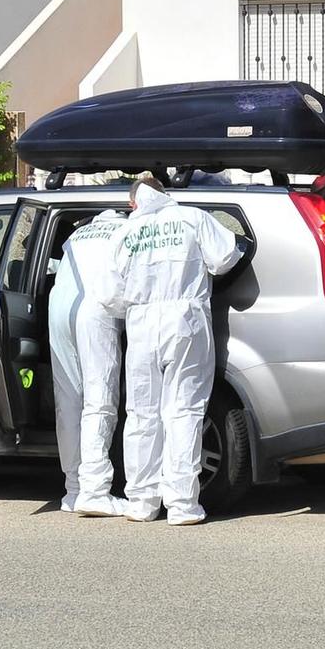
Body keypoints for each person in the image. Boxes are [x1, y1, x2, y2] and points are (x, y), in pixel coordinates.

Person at [112, 172, 244, 525]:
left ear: (132, 203)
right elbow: (225, 258)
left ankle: (141, 502)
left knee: (142, 414)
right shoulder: (193, 218)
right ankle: (183, 506)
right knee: (183, 410)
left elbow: (110, 295)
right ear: (165, 194)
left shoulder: (126, 232)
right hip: (185, 320)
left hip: (141, 325)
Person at [47, 206, 130, 518]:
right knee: (100, 401)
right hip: (96, 309)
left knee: (67, 400)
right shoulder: (127, 231)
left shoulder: (78, 234)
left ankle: (73, 490)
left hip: (59, 308)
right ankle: (95, 491)